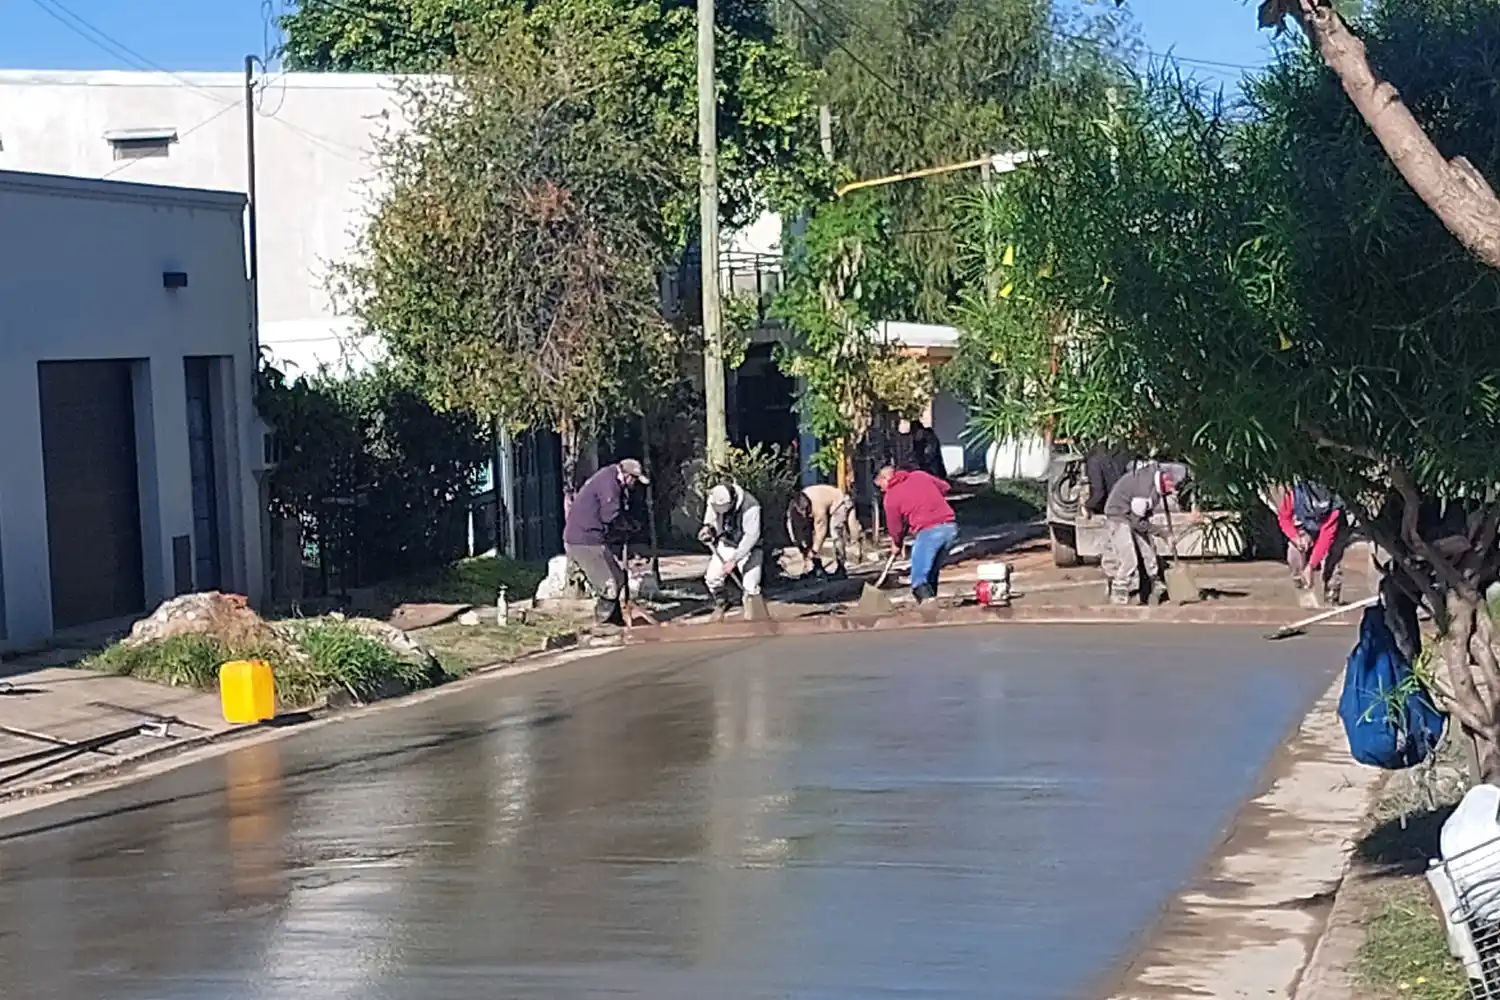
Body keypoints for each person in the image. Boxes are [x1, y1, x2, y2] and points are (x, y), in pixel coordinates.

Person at [562, 458, 648, 625]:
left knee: (619, 577)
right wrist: (629, 525)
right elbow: (611, 515)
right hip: (584, 541)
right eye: (635, 480)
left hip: (594, 539)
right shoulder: (609, 483)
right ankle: (603, 623)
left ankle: (615, 620)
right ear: (627, 476)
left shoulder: (611, 479)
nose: (634, 485)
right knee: (609, 585)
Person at [1100, 461, 1183, 605]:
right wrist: (1164, 534)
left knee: (1149, 554)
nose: (1173, 491)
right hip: (1119, 516)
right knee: (1129, 560)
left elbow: (1142, 517)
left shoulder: (1154, 486)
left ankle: (1156, 586)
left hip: (1133, 516)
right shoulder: (1143, 491)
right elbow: (1137, 522)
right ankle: (1119, 593)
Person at [876, 463, 958, 604]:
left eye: (880, 486)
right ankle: (932, 602)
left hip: (929, 532)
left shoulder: (891, 497)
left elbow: (895, 526)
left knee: (918, 578)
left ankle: (928, 607)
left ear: (885, 479)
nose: (882, 490)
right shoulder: (920, 475)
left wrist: (897, 543)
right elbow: (945, 487)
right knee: (931, 571)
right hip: (950, 529)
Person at [1278, 481, 1349, 606]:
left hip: (1334, 528)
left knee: (1332, 558)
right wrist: (1295, 537)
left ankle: (1331, 595)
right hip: (1306, 526)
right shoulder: (1294, 494)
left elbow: (1326, 536)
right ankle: (1303, 587)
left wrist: (1311, 565)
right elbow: (1284, 518)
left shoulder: (1335, 504)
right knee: (1294, 551)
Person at [700, 483, 763, 619]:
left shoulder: (751, 507)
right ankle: (722, 602)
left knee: (750, 585)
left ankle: (754, 615)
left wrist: (734, 560)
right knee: (712, 578)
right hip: (727, 542)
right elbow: (711, 516)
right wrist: (708, 527)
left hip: (749, 547)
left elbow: (751, 537)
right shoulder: (715, 497)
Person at [787, 483, 861, 580]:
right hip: (826, 500)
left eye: (807, 511)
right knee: (806, 531)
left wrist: (813, 552)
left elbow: (821, 533)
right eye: (802, 512)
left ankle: (841, 566)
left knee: (835, 531)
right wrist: (801, 547)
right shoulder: (792, 509)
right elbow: (794, 529)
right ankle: (815, 565)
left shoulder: (818, 507)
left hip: (839, 502)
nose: (805, 514)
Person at [1083, 446, 1132, 516]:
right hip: (1125, 503)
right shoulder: (1121, 453)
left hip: (1109, 507)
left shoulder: (1094, 461)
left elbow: (1099, 492)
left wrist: (1087, 506)